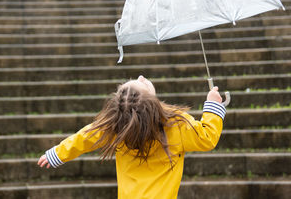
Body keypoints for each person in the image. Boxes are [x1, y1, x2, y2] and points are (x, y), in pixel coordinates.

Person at [38, 75, 225, 198]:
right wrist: (213, 106)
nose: (141, 77)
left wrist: (57, 154)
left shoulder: (115, 128)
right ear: (152, 102)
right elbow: (206, 137)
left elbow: (85, 137)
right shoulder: (176, 124)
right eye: (141, 82)